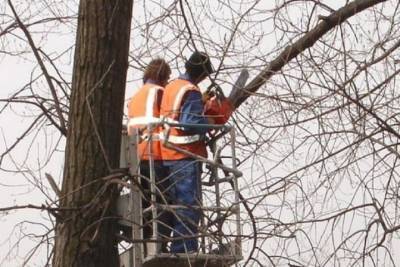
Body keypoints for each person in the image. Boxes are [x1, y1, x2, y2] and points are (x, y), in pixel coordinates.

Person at [160, 51, 232, 253]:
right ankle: (184, 252)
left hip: (168, 155)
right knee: (190, 207)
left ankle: (176, 248)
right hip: (185, 154)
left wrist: (201, 102)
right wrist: (209, 121)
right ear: (202, 74)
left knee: (175, 207)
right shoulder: (190, 90)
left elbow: (176, 115)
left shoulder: (173, 86)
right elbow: (189, 123)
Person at [127, 58, 172, 253]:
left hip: (138, 156)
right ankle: (160, 245)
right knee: (164, 202)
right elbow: (174, 119)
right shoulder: (160, 93)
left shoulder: (135, 98)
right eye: (167, 77)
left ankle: (147, 245)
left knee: (146, 203)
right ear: (162, 76)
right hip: (157, 153)